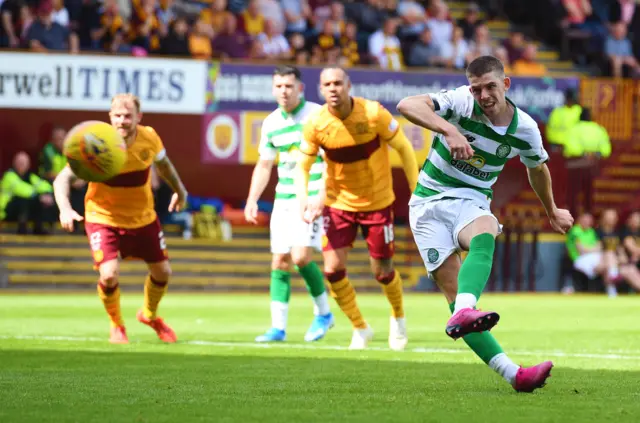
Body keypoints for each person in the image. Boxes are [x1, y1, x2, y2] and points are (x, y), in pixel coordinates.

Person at [396, 55, 574, 392]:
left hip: (471, 199)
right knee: (451, 285)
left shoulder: (525, 129)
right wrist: (448, 129)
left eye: (490, 86)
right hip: (427, 203)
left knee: (485, 228)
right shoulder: (461, 103)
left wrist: (551, 210)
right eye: (477, 89)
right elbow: (407, 104)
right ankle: (515, 375)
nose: (483, 95)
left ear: (505, 84)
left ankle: (466, 310)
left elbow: (536, 168)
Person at [296, 67, 419, 351]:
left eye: (338, 83)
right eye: (327, 84)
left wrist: (416, 189)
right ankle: (360, 327)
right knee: (333, 268)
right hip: (338, 204)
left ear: (348, 85)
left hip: (377, 203)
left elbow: (404, 148)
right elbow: (302, 165)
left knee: (382, 272)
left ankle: (398, 317)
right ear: (321, 90)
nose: (333, 88)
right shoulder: (316, 124)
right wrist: (304, 197)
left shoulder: (374, 114)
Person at [53, 93, 188, 345]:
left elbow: (165, 166)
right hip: (103, 217)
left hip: (143, 218)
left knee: (163, 272)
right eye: (117, 115)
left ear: (139, 117)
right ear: (110, 117)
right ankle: (116, 324)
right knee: (108, 275)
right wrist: (64, 208)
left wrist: (180, 191)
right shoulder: (96, 142)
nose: (123, 121)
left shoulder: (149, 137)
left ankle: (148, 315)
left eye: (128, 116)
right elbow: (62, 179)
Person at [244, 65, 334, 343]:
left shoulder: (318, 115)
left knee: (300, 257)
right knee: (280, 261)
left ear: (300, 89)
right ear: (273, 89)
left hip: (312, 195)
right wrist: (252, 199)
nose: (283, 91)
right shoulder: (271, 123)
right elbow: (264, 164)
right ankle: (278, 328)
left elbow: (332, 158)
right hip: (283, 199)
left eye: (288, 86)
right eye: (279, 86)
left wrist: (324, 193)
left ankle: (324, 313)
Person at [0, 151, 55, 234]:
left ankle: (38, 228)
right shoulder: (9, 176)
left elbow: (44, 185)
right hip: (6, 211)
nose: (22, 165)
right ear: (14, 163)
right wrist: (40, 197)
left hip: (25, 211)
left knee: (40, 200)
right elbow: (23, 190)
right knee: (24, 199)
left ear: (28, 164)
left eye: (24, 163)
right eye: (20, 163)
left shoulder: (30, 176)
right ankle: (22, 228)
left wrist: (47, 194)